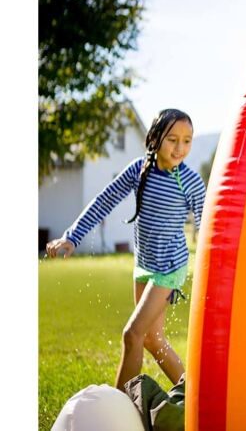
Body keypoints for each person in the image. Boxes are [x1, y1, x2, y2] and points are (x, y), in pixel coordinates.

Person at [46, 108, 206, 391]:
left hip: (170, 268)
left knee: (132, 334)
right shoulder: (138, 170)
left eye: (187, 140)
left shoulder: (190, 181)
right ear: (155, 138)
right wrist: (72, 237)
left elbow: (209, 227)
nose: (180, 148)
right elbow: (104, 200)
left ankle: (117, 410)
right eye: (172, 139)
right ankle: (196, 398)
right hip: (144, 263)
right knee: (152, 340)